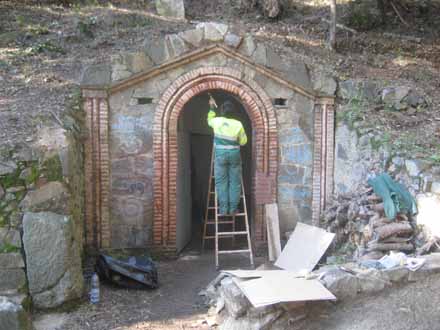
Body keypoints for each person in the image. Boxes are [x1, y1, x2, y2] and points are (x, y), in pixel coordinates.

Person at [207, 96, 247, 215]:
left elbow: (209, 120)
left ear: (222, 111)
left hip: (220, 156)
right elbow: (244, 142)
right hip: (234, 155)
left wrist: (211, 107)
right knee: (235, 182)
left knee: (221, 182)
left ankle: (224, 209)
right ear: (233, 112)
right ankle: (233, 209)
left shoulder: (216, 121)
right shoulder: (238, 124)